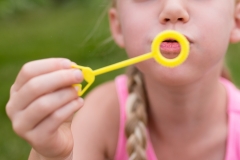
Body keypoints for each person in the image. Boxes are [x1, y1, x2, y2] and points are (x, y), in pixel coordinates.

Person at [5, 0, 240, 159]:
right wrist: (49, 154)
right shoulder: (102, 114)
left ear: (237, 20)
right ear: (118, 26)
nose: (172, 8)